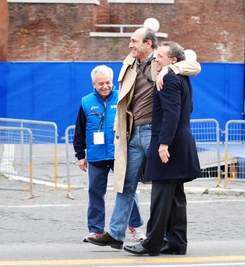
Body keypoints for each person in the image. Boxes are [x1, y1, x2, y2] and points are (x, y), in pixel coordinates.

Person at [87, 28, 201, 249]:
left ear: (149, 44)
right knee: (126, 184)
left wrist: (170, 68)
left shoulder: (163, 62)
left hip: (155, 132)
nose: (130, 45)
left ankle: (162, 239)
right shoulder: (130, 63)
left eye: (134, 41)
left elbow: (194, 65)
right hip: (134, 132)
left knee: (164, 187)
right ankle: (117, 233)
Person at [123, 41, 202, 256]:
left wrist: (164, 143)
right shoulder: (181, 78)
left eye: (160, 56)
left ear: (173, 60)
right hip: (182, 142)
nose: (155, 59)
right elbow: (188, 107)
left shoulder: (167, 78)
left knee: (160, 197)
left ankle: (152, 243)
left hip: (170, 144)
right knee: (176, 198)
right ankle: (177, 242)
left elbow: (171, 113)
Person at [73, 65, 146, 243]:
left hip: (119, 154)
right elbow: (79, 131)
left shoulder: (123, 98)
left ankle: (135, 227)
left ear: (112, 82)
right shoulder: (86, 102)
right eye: (101, 83)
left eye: (108, 82)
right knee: (95, 192)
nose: (105, 86)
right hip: (96, 156)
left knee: (127, 190)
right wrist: (80, 155)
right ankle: (96, 230)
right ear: (93, 84)